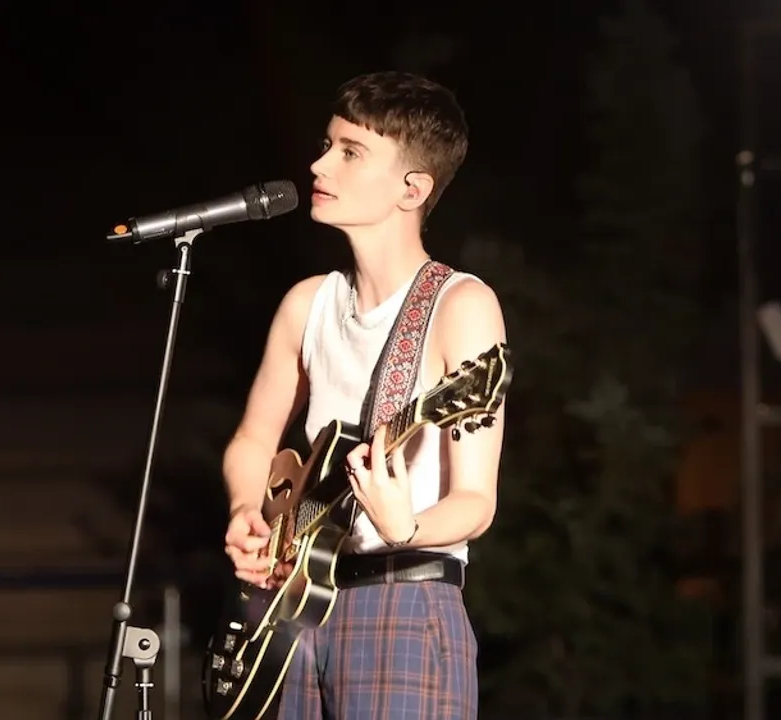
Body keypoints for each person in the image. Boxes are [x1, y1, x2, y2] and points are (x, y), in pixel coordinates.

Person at [220, 70, 506, 719]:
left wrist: (408, 526)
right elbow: (253, 440)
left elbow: (476, 501)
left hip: (401, 602)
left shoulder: (461, 305)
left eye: (350, 152)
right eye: (327, 145)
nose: (320, 164)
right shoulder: (308, 304)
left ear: (413, 189)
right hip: (292, 606)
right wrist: (245, 511)